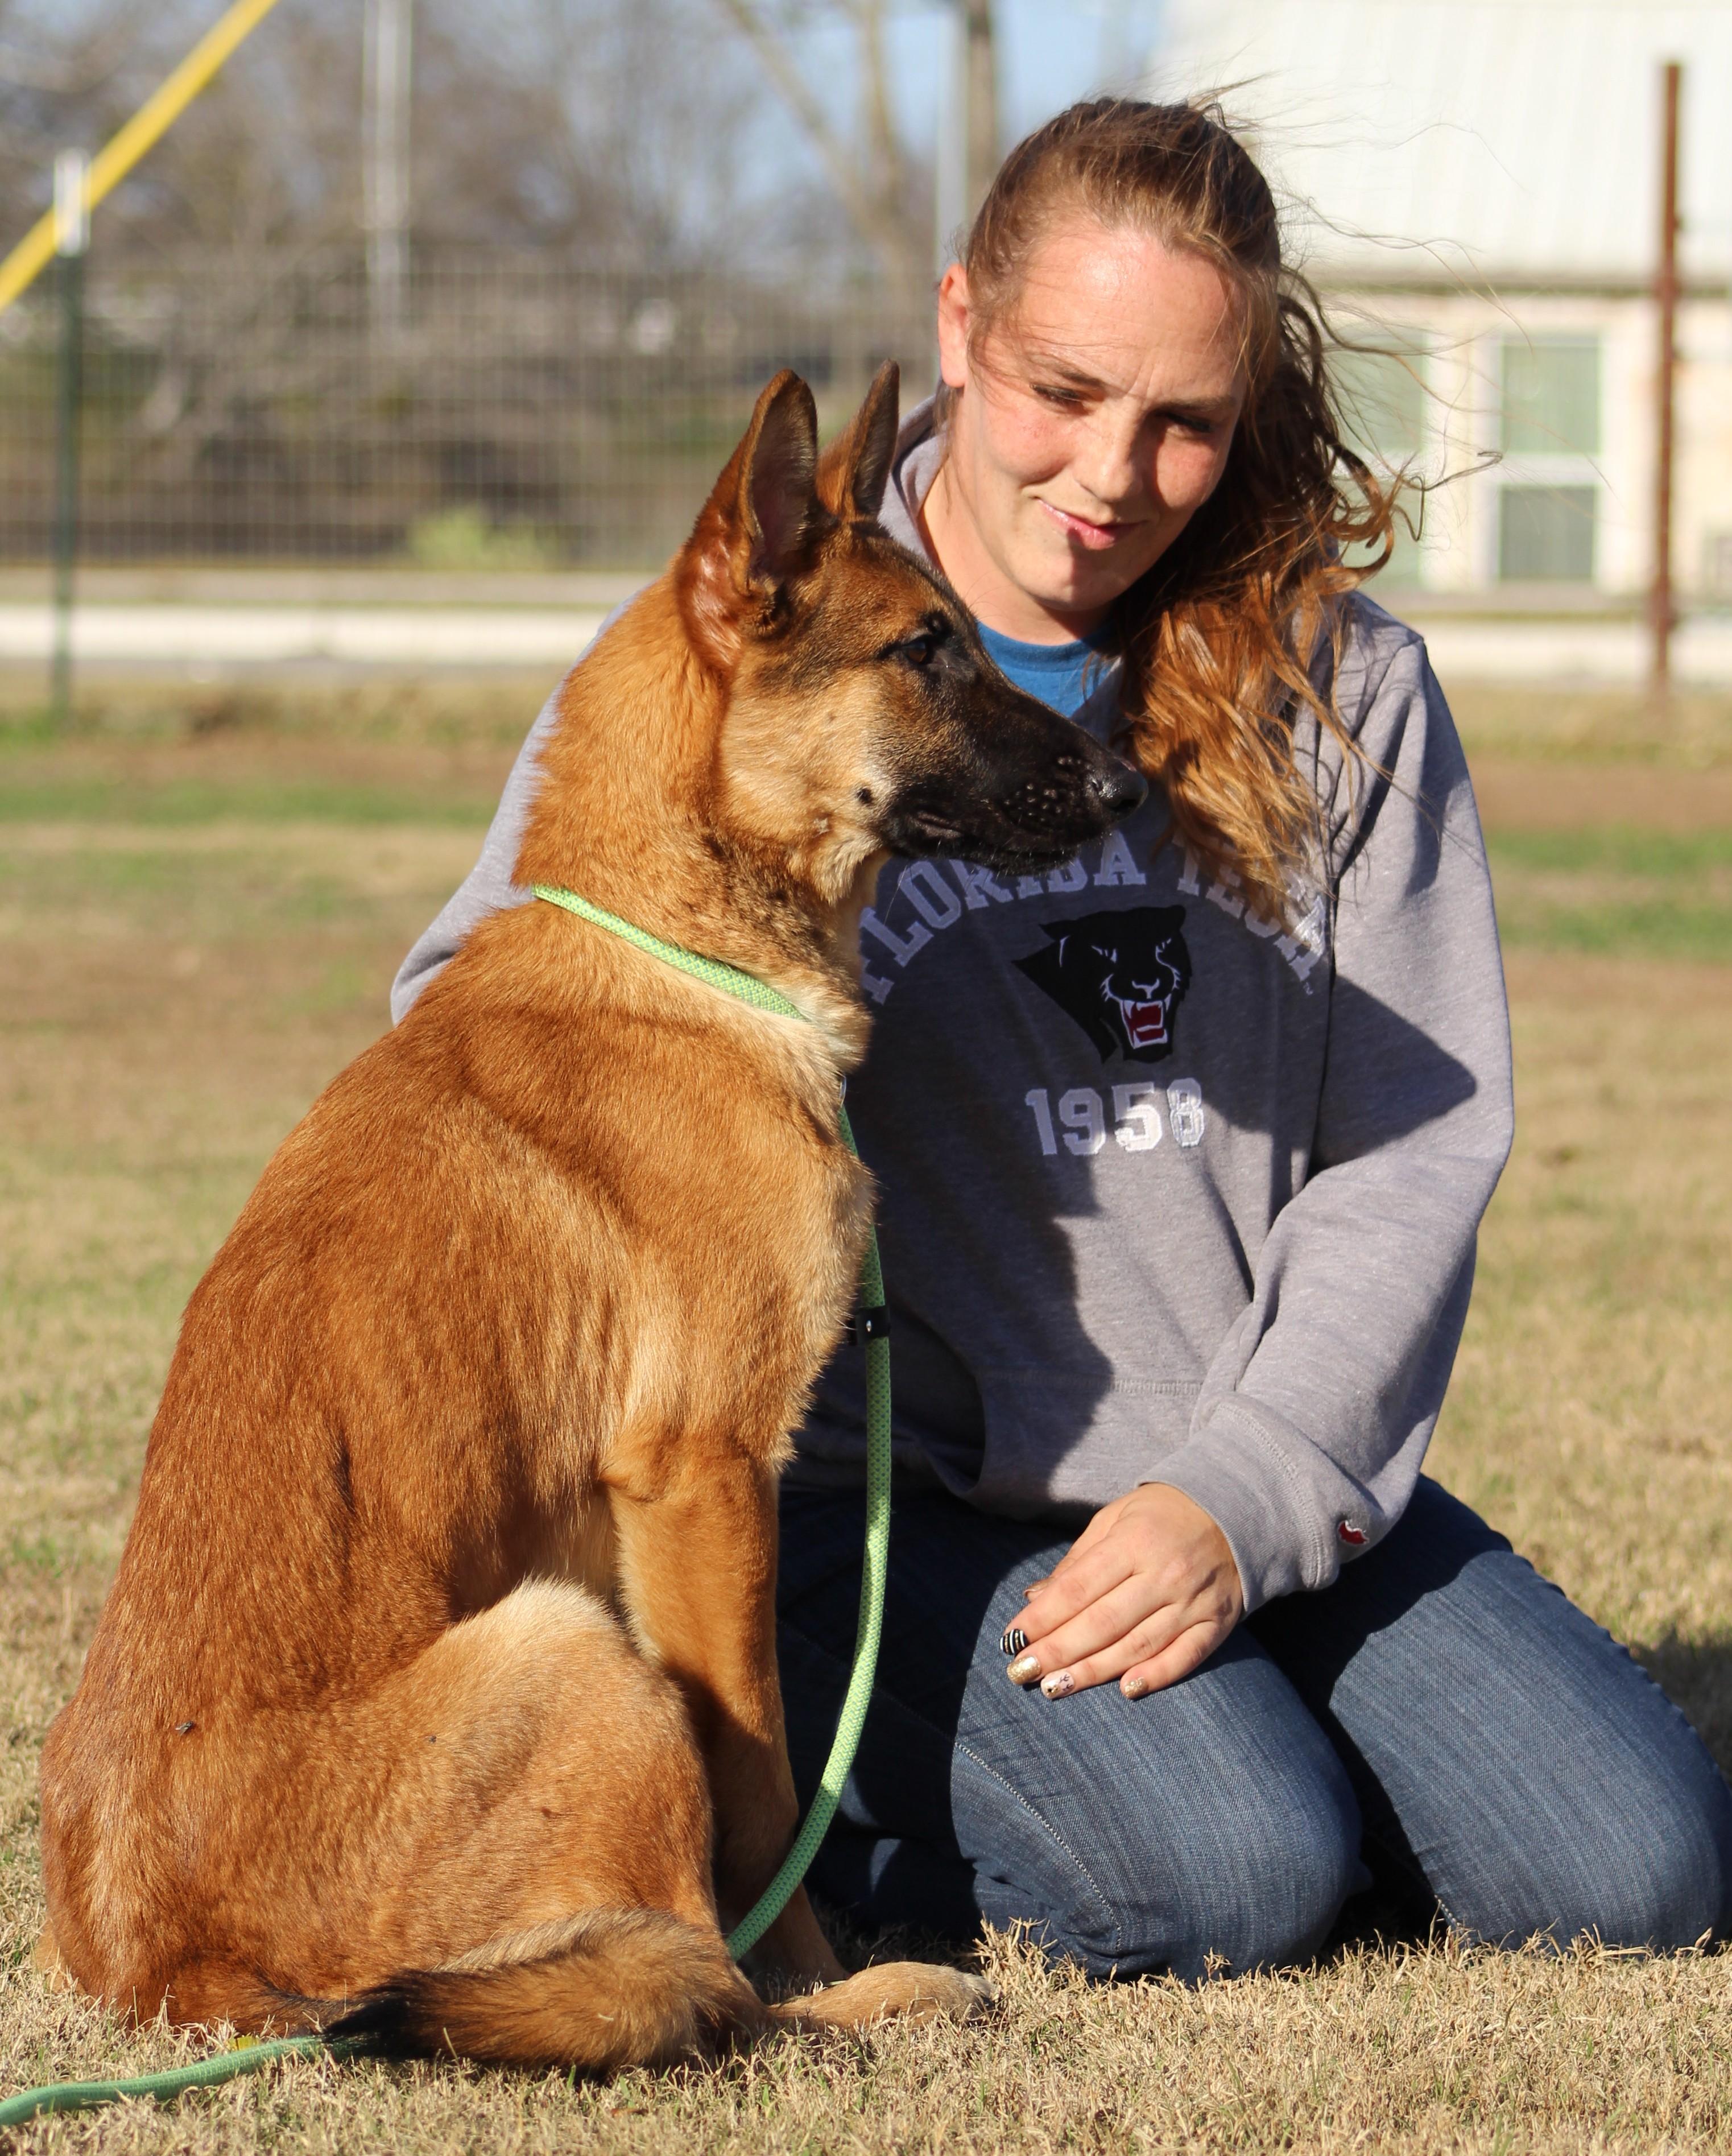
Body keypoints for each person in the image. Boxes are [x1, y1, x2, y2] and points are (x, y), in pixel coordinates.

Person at [393, 100, 1732, 1977]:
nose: (1114, 472)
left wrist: (1248, 1495)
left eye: (1184, 419)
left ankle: (1239, 1734)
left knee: (1640, 1875)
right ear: (961, 326)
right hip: (906, 1510)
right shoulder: (760, 658)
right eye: (1064, 389)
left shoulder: (1346, 689)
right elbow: (478, 1015)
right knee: (1235, 1872)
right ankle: (845, 1805)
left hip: (1250, 1468)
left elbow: (1410, 1163)